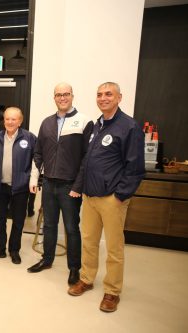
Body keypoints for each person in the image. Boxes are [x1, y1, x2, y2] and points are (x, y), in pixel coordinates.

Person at [68, 82, 145, 312]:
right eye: (99, 94)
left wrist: (120, 195)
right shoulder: (96, 126)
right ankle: (87, 279)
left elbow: (135, 168)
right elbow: (87, 161)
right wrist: (80, 187)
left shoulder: (129, 127)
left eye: (108, 94)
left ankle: (112, 291)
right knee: (89, 242)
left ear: (119, 98)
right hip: (90, 197)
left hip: (112, 199)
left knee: (114, 248)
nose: (103, 98)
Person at [27, 83, 93, 285]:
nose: (62, 97)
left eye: (66, 94)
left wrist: (78, 186)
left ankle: (74, 268)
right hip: (48, 183)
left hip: (70, 186)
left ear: (72, 96)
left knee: (72, 228)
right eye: (58, 95)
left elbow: (87, 158)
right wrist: (34, 178)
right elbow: (38, 153)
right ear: (54, 98)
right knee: (48, 224)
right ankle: (47, 260)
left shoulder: (84, 122)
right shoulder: (46, 122)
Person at [0, 106, 36, 264]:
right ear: (3, 120)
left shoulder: (30, 138)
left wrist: (29, 179)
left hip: (20, 188)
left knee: (18, 221)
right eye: (7, 119)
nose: (10, 122)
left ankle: (14, 250)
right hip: (0, 187)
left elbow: (37, 161)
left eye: (14, 119)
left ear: (20, 121)